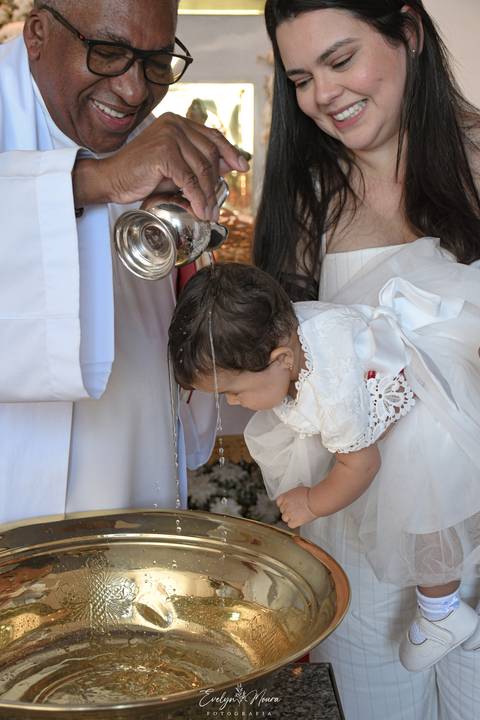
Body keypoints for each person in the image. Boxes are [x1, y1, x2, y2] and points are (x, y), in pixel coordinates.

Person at [251, 1, 480, 718]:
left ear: (407, 32)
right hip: (354, 519)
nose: (323, 93)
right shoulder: (308, 194)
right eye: (300, 77)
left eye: (341, 59)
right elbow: (283, 370)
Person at [0, 0, 249, 525]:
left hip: (129, 465)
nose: (135, 91)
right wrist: (97, 180)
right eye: (107, 51)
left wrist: (190, 248)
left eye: (157, 61)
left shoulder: (146, 132)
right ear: (38, 33)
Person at [169, 260, 480, 668]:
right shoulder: (291, 330)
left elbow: (361, 466)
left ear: (281, 358)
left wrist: (313, 502)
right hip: (389, 362)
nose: (231, 403)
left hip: (427, 416)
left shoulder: (332, 396)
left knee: (423, 514)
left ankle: (442, 612)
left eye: (234, 391)